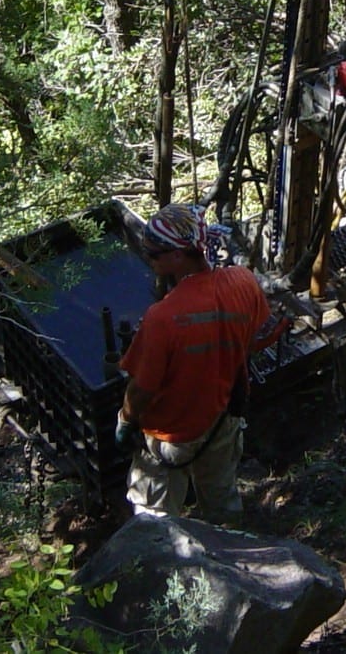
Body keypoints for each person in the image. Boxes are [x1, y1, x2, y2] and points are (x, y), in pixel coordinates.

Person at [115, 203, 271, 520]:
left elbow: (142, 388)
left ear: (178, 254)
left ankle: (163, 565)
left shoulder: (162, 318)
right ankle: (228, 553)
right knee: (222, 501)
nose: (149, 258)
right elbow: (251, 336)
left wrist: (125, 421)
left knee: (154, 520)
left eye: (153, 253)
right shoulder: (243, 282)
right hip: (222, 421)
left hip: (170, 435)